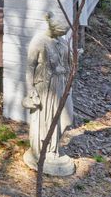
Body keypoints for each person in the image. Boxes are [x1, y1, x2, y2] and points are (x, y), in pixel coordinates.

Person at [22, 13, 75, 176]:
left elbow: (68, 62)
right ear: (54, 30)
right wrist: (31, 89)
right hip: (45, 88)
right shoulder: (39, 42)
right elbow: (30, 67)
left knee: (66, 118)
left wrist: (73, 57)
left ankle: (53, 147)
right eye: (60, 33)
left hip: (61, 85)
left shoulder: (62, 41)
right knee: (46, 120)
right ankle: (44, 151)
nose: (63, 36)